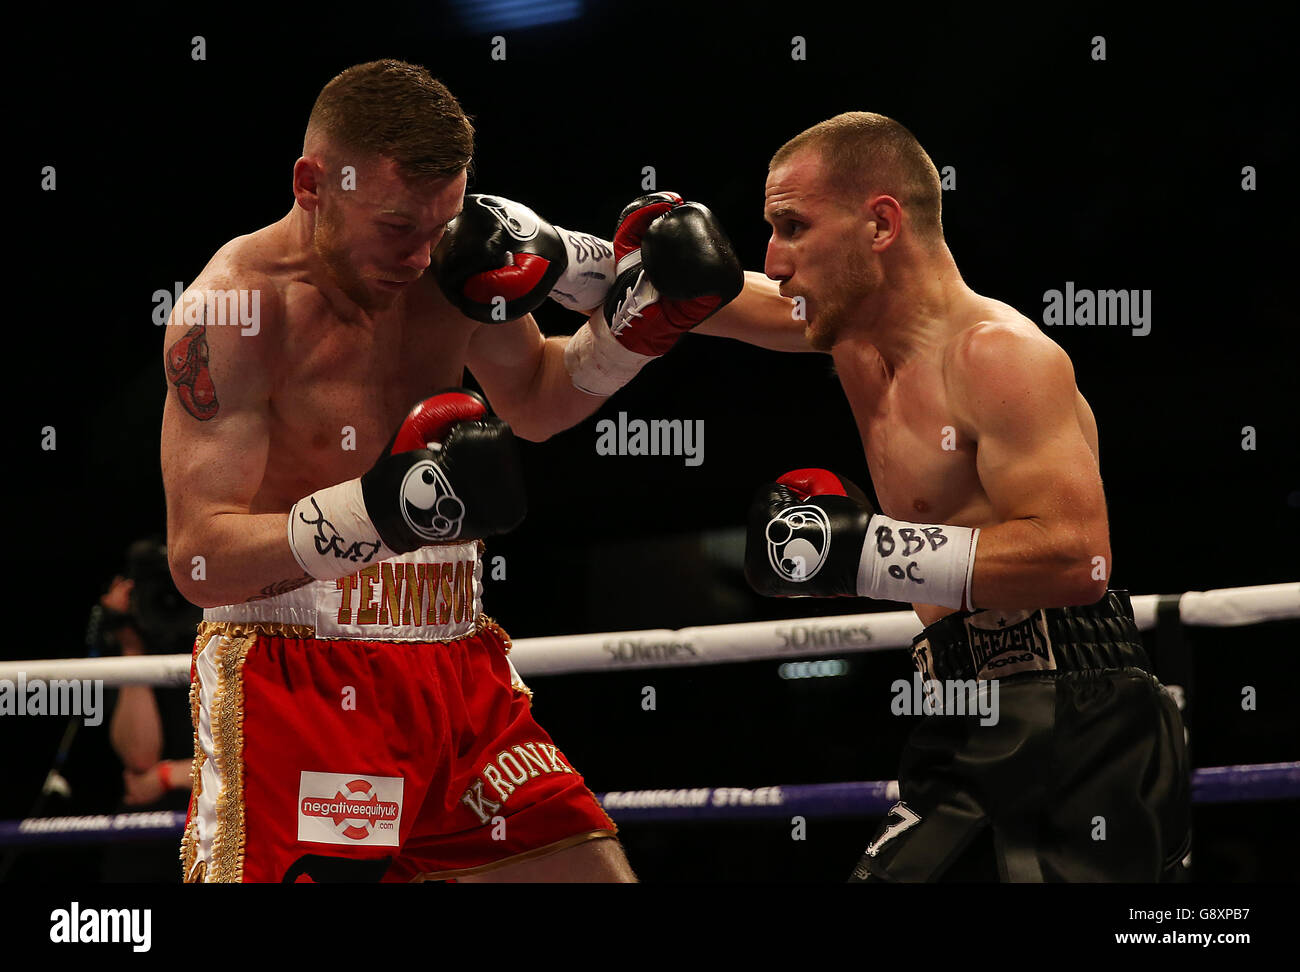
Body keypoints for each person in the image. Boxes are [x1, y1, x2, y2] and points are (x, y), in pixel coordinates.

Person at [161, 59, 740, 882]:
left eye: (440, 224)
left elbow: (538, 400)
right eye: (398, 226)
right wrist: (377, 512)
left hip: (457, 664)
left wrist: (630, 337)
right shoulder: (234, 312)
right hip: (307, 676)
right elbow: (198, 559)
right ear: (311, 183)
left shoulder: (444, 266)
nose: (422, 254)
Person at [706, 112, 1190, 880]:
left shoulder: (998, 356)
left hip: (1078, 706)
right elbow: (696, 295)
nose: (774, 260)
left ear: (881, 224)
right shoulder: (856, 335)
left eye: (793, 227)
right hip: (954, 709)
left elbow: (1076, 558)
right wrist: (561, 254)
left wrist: (866, 557)